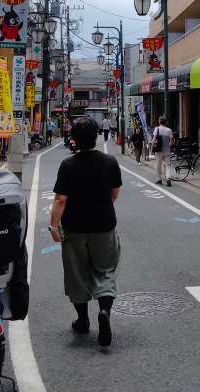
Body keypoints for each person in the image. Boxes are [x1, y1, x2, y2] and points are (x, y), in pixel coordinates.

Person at [48, 116, 122, 346]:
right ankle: (104, 311)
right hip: (104, 226)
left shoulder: (68, 165)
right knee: (105, 270)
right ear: (96, 136)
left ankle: (83, 320)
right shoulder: (109, 162)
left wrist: (53, 226)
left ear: (74, 139)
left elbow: (61, 200)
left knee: (76, 272)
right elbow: (114, 193)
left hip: (75, 228)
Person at [152, 116, 173, 187]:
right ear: (165, 122)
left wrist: (151, 148)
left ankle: (159, 179)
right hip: (167, 150)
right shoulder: (169, 130)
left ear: (159, 122)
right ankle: (168, 178)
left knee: (158, 165)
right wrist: (168, 145)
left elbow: (154, 139)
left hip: (159, 150)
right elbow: (171, 141)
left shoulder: (157, 129)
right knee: (168, 165)